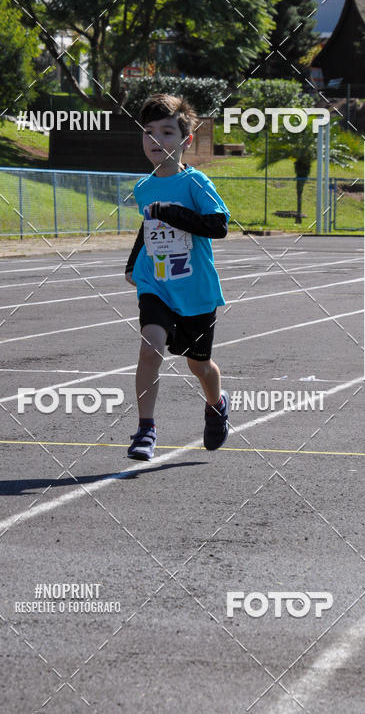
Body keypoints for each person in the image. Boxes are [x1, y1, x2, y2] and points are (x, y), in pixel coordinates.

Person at [124, 93, 230, 461]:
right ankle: (145, 429)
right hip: (157, 284)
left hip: (195, 290)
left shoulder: (196, 183)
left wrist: (172, 211)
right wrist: (133, 261)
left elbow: (218, 226)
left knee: (199, 365)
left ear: (185, 141)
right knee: (150, 347)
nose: (155, 140)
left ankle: (216, 404)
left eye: (166, 132)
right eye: (148, 132)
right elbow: (148, 225)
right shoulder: (143, 187)